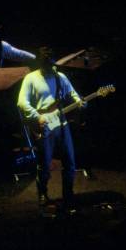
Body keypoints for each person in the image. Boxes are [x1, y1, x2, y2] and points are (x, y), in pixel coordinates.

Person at [17, 47, 85, 213]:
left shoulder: (60, 77)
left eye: (51, 64)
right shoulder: (31, 79)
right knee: (45, 164)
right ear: (41, 63)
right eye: (46, 65)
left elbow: (73, 94)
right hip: (44, 125)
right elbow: (21, 102)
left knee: (70, 162)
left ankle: (68, 194)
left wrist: (80, 102)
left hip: (62, 124)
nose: (50, 68)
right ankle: (42, 193)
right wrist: (37, 116)